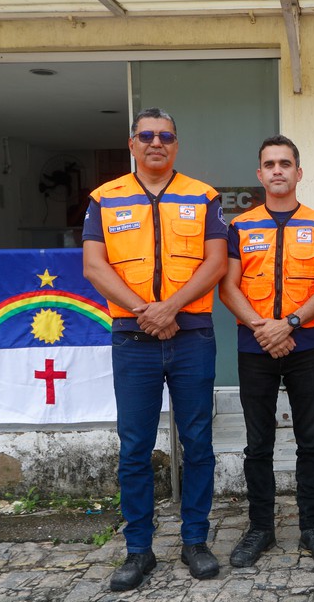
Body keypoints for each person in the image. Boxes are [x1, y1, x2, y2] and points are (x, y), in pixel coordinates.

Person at [82, 108, 228, 592]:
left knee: (198, 443)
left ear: (176, 145)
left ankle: (195, 541)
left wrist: (171, 308)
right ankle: (138, 550)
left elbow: (215, 262)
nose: (156, 143)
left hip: (192, 337)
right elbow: (94, 267)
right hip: (132, 339)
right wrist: (147, 309)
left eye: (165, 136)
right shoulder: (105, 199)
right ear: (132, 143)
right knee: (135, 449)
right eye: (146, 135)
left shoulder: (203, 195)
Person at [218, 135, 314, 567]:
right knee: (258, 444)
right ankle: (260, 529)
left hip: (305, 345)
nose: (277, 171)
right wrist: (261, 327)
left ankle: (312, 527)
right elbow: (227, 287)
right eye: (269, 164)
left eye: (285, 163)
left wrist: (288, 324)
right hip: (254, 348)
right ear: (259, 174)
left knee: (310, 442)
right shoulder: (240, 226)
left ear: (298, 173)